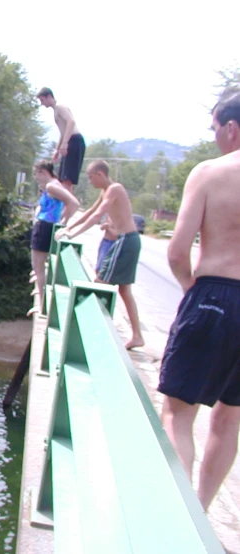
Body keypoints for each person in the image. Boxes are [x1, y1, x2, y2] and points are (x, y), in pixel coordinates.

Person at [158, 87, 240, 510]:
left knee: (178, 413)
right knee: (229, 419)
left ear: (231, 127)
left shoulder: (210, 172)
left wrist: (193, 287)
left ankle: (179, 521)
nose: (212, 137)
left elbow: (176, 251)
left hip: (214, 295)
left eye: (214, 128)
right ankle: (202, 514)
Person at [56, 160, 144, 350]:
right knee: (123, 290)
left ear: (100, 174)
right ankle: (137, 335)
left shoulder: (114, 189)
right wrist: (68, 227)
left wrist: (72, 234)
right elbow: (90, 212)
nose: (90, 181)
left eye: (90, 177)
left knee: (100, 283)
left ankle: (94, 331)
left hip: (125, 240)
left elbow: (98, 216)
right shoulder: (105, 192)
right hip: (127, 240)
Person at [29, 160, 80, 314]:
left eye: (37, 176)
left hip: (45, 226)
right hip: (46, 226)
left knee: (37, 266)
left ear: (43, 172)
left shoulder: (52, 186)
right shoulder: (55, 184)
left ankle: (41, 305)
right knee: (39, 267)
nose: (37, 179)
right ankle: (41, 298)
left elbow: (73, 203)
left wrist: (64, 222)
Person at [37, 87, 86, 193]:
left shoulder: (60, 106)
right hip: (68, 140)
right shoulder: (55, 111)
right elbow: (63, 132)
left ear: (49, 96)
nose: (42, 103)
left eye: (42, 100)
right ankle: (64, 205)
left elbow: (71, 122)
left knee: (67, 180)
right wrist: (57, 149)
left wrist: (65, 144)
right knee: (62, 179)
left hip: (74, 141)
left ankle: (67, 206)